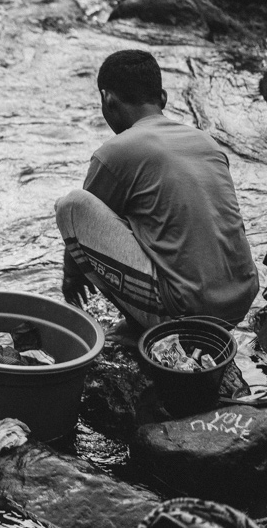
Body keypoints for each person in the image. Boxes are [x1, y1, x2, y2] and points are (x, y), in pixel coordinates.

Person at [55, 49, 259, 343]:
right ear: (162, 98)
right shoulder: (207, 143)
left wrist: (72, 276)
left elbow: (83, 227)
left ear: (107, 99)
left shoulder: (116, 152)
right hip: (238, 303)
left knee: (71, 207)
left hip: (184, 312)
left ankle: (141, 326)